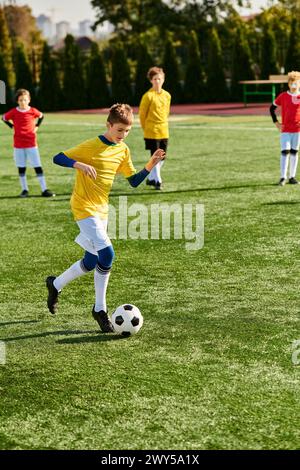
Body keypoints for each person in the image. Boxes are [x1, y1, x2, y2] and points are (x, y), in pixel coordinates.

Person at [46, 104, 165, 332]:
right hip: (83, 207)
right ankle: (100, 309)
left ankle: (55, 284)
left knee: (91, 262)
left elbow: (132, 180)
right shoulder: (92, 145)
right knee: (107, 253)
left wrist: (151, 164)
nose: (123, 135)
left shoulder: (123, 150)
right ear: (108, 125)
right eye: (119, 130)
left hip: (102, 210)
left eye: (127, 131)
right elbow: (57, 157)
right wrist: (78, 164)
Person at [2, 88, 55, 198]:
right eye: (20, 100)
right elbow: (3, 118)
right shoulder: (14, 112)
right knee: (21, 167)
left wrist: (37, 126)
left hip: (31, 144)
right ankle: (24, 189)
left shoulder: (33, 111)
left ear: (29, 100)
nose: (23, 102)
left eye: (25, 100)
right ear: (17, 101)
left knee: (37, 166)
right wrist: (12, 126)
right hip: (18, 145)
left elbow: (41, 116)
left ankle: (44, 189)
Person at [139, 66, 171, 190]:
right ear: (151, 80)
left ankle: (151, 178)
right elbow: (142, 115)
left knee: (162, 157)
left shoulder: (167, 95)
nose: (157, 81)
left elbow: (167, 111)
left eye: (159, 79)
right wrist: (145, 128)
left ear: (163, 79)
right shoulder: (147, 96)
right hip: (151, 131)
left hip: (164, 130)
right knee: (156, 157)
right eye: (155, 79)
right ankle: (158, 181)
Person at [270, 71, 300, 186]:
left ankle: (292, 177)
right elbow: (271, 108)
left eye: (297, 82)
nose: (294, 85)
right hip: (286, 130)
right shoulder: (283, 96)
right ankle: (283, 177)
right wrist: (276, 122)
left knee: (294, 152)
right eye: (292, 82)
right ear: (288, 84)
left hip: (297, 130)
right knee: (285, 152)